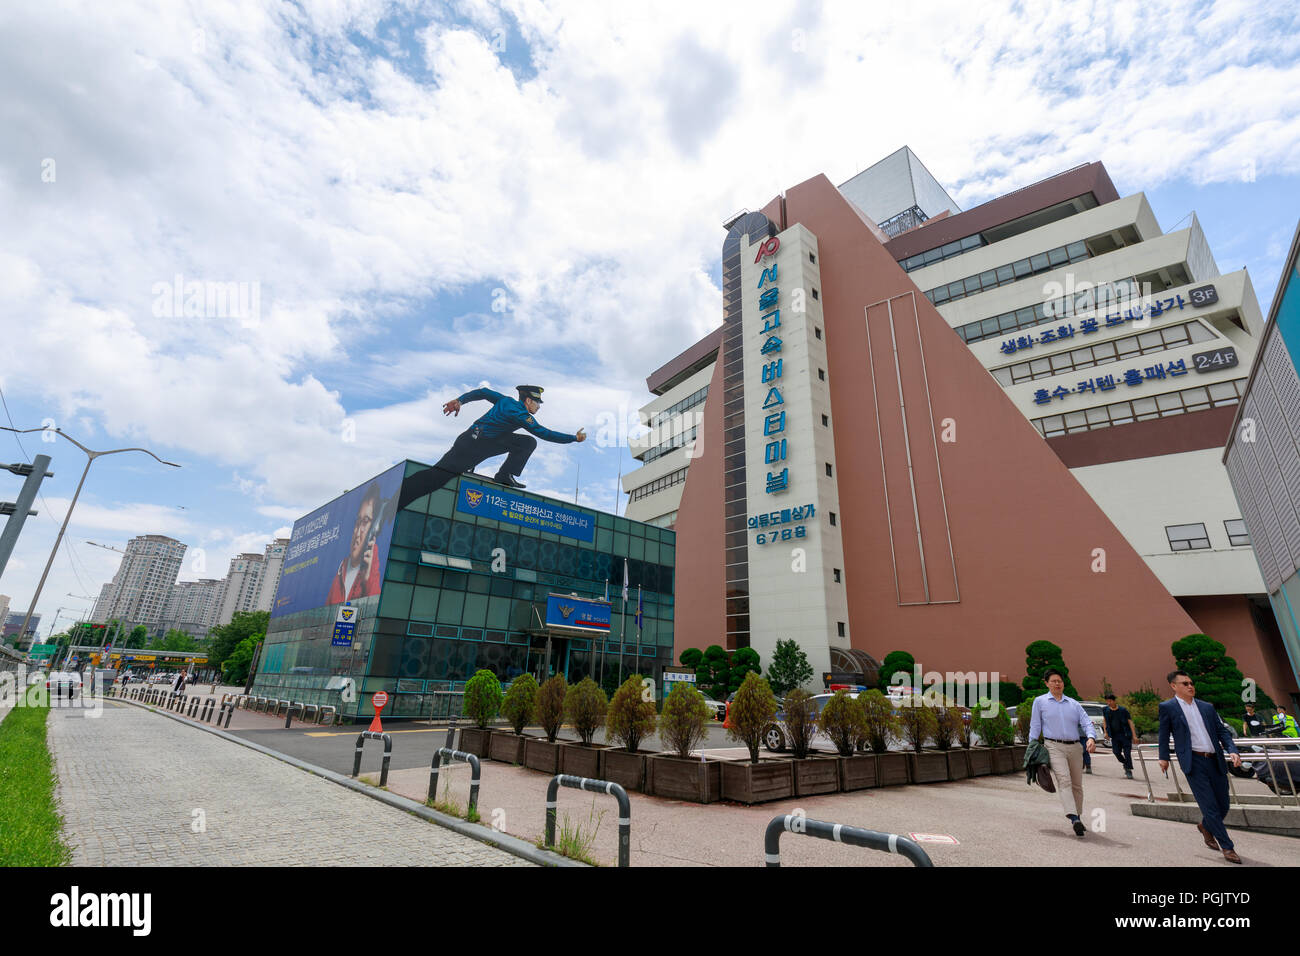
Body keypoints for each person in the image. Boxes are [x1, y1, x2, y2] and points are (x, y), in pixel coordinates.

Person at [397, 385, 586, 509]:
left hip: (478, 441)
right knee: (436, 478)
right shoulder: (521, 415)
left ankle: (504, 475)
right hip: (472, 446)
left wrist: (460, 400)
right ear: (528, 400)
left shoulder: (505, 400)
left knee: (526, 442)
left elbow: (483, 392)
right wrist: (573, 438)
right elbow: (545, 433)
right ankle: (397, 498)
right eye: (537, 402)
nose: (538, 407)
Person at [1158, 669, 1244, 864]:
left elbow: (1222, 732)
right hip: (1193, 762)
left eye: (1191, 683)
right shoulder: (1168, 707)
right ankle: (1228, 847)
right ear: (1174, 686)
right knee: (1210, 806)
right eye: (1185, 684)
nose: (1190, 686)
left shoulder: (1207, 707)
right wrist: (1163, 757)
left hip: (1215, 760)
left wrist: (1233, 750)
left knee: (1223, 804)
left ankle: (1205, 826)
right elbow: (1163, 734)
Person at [1028, 668, 1097, 836]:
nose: (1057, 684)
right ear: (1046, 683)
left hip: (1075, 747)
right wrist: (1032, 746)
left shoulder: (1073, 703)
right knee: (1064, 781)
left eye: (1059, 681)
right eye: (1053, 681)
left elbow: (1087, 722)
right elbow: (1035, 725)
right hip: (1054, 746)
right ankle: (1074, 818)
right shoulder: (1040, 702)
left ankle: (1078, 817)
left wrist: (1091, 737)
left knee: (1077, 785)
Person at [327, 481, 386, 605]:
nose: (358, 532)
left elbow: (374, 609)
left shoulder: (371, 574)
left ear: (374, 529)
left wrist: (368, 581)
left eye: (365, 521)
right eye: (358, 521)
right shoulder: (341, 570)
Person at [1103, 693, 1139, 779]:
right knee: (1116, 752)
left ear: (1114, 700)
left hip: (1125, 735)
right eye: (1107, 701)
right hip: (1114, 735)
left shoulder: (1123, 710)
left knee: (1127, 753)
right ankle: (1126, 764)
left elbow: (1130, 722)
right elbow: (1104, 721)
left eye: (1110, 701)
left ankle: (1128, 770)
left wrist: (1134, 735)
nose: (1109, 703)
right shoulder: (1106, 710)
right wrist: (1106, 732)